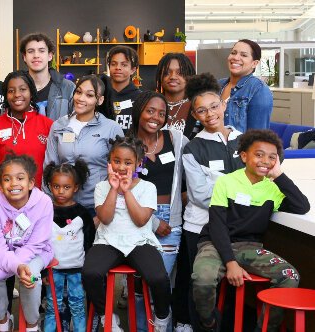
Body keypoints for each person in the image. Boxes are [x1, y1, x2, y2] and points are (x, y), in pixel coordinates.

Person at [192, 129, 309, 332]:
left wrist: (279, 176)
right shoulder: (226, 181)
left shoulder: (273, 189)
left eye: (272, 157)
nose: (265, 161)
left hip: (249, 247)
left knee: (290, 275)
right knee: (203, 279)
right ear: (244, 156)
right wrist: (230, 263)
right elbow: (217, 226)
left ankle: (264, 328)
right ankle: (209, 322)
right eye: (259, 154)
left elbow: (301, 206)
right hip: (215, 243)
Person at [82, 135, 171, 332]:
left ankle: (162, 317)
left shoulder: (148, 187)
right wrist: (114, 190)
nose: (121, 167)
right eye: (116, 161)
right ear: (109, 161)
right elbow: (104, 218)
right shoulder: (102, 187)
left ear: (139, 163)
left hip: (139, 241)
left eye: (128, 162)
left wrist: (127, 191)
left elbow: (140, 220)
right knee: (90, 273)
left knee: (158, 277)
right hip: (108, 240)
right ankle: (107, 316)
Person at [130, 91, 190, 332]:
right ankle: (141, 327)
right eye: (150, 111)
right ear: (139, 112)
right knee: (139, 282)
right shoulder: (127, 143)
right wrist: (153, 222)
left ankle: (161, 328)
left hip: (171, 221)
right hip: (137, 220)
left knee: (161, 282)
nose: (156, 117)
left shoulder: (177, 140)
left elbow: (187, 182)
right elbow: (122, 189)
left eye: (162, 113)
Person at [0, 152, 53, 332]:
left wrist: (4, 270)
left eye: (20, 178)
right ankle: (3, 322)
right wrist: (1, 271)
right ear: (1, 185)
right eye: (7, 179)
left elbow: (35, 245)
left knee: (31, 277)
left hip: (37, 251)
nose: (14, 184)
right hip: (1, 251)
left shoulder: (44, 202)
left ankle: (32, 325)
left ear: (31, 183)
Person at [182, 73, 245, 279]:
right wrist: (240, 199)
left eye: (214, 106)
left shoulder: (244, 141)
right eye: (202, 110)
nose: (210, 114)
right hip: (200, 226)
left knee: (232, 285)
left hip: (235, 227)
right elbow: (199, 194)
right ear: (194, 114)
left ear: (223, 105)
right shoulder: (193, 148)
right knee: (202, 285)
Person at [44, 75, 122, 215]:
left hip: (98, 206)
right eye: (78, 92)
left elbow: (120, 171)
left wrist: (105, 212)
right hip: (63, 205)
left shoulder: (111, 128)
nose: (81, 98)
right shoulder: (58, 125)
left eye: (89, 95)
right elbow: (49, 167)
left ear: (100, 100)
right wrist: (49, 205)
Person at [0, 71, 54, 204]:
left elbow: (54, 168)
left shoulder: (48, 125)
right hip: (3, 204)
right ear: (6, 95)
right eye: (11, 91)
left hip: (40, 204)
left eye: (23, 89)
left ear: (31, 92)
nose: (17, 95)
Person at [41, 160, 95, 332]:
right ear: (50, 186)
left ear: (76, 187)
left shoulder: (83, 214)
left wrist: (88, 269)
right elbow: (40, 243)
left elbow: (89, 242)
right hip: (52, 269)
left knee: (78, 305)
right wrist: (42, 270)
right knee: (52, 306)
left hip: (77, 270)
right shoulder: (45, 211)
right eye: (56, 186)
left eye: (66, 187)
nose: (61, 191)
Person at [219, 39, 273, 132]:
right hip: (211, 144)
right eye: (233, 53)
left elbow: (257, 135)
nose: (236, 57)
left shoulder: (258, 89)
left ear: (254, 63)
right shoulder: (218, 85)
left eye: (243, 55)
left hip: (238, 146)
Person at [19, 33, 75, 121]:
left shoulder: (68, 88)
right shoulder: (15, 89)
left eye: (41, 51)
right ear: (24, 57)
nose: (36, 55)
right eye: (30, 51)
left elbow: (76, 124)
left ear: (50, 56)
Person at [155, 53, 200, 139]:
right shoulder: (150, 104)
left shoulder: (198, 106)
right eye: (167, 72)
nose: (173, 77)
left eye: (180, 73)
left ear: (189, 76)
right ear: (160, 76)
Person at [98, 46, 141, 132]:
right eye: (114, 64)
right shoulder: (100, 93)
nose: (118, 68)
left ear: (133, 70)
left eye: (124, 65)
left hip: (129, 144)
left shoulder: (140, 98)